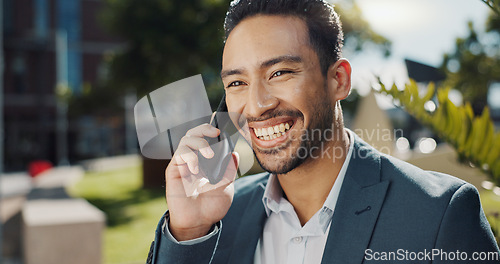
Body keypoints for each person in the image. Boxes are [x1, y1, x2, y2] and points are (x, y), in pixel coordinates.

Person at [146, 0, 500, 263]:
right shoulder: (215, 219)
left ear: (338, 80)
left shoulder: (438, 214)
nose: (255, 106)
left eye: (280, 73)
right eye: (237, 82)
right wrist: (190, 233)